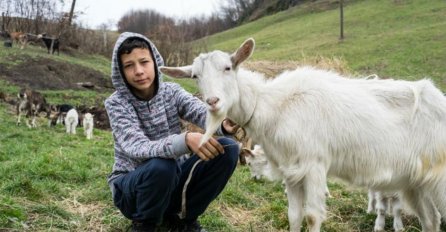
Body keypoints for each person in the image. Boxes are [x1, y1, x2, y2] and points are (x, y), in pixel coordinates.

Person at [104, 32, 240, 232]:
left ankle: (184, 219)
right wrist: (184, 141)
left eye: (144, 62)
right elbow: (136, 147)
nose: (139, 71)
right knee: (161, 165)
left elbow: (198, 111)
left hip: (172, 182)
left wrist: (222, 123)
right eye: (129, 65)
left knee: (228, 148)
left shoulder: (172, 92)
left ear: (155, 61)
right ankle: (144, 224)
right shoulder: (116, 103)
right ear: (120, 71)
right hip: (132, 192)